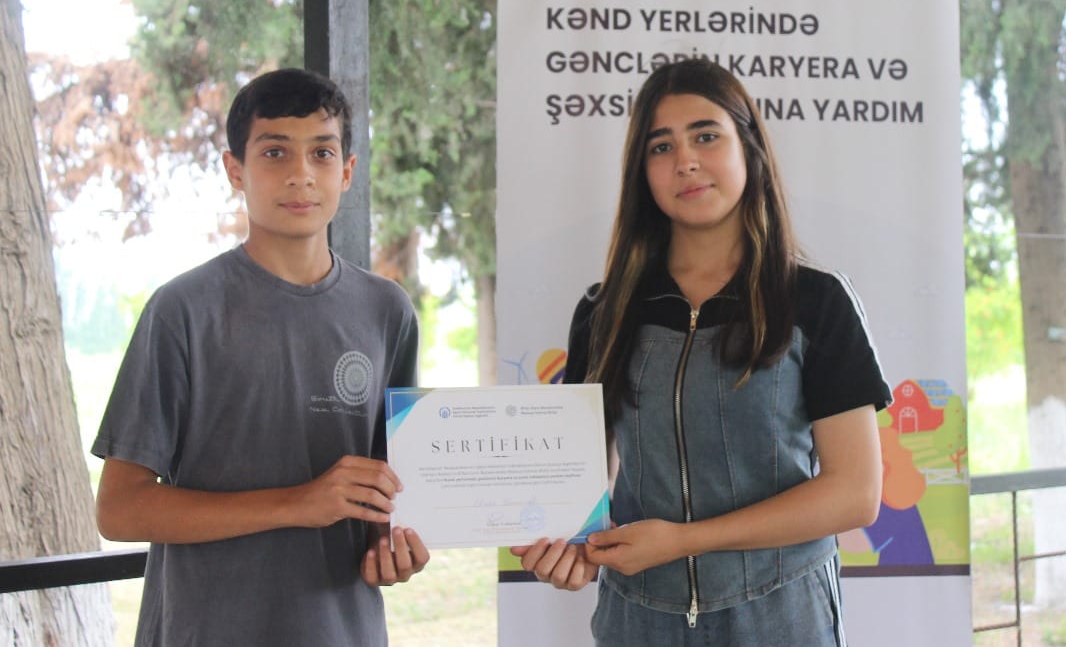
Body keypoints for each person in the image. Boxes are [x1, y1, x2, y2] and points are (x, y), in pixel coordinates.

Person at [512, 58, 893, 645]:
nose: (685, 161)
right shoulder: (603, 311)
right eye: (661, 147)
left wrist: (685, 540)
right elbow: (584, 487)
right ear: (642, 171)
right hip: (638, 622)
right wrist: (572, 549)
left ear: (749, 148)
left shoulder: (815, 301)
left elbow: (856, 495)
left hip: (782, 619)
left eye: (706, 136)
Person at [92, 68, 430, 646]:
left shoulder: (387, 311)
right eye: (275, 152)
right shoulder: (183, 310)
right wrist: (297, 503)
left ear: (347, 171)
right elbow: (120, 509)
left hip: (340, 631)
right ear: (235, 170)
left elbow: (392, 492)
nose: (301, 174)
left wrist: (391, 547)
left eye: (322, 153)